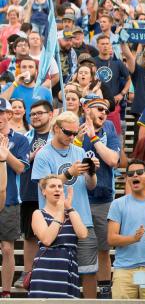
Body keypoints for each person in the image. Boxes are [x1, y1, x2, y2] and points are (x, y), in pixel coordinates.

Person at [31, 111, 99, 299]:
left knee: (89, 271)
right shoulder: (43, 154)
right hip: (54, 219)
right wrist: (70, 172)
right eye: (68, 132)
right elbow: (44, 184)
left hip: (82, 218)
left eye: (75, 133)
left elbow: (91, 186)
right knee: (57, 270)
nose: (72, 137)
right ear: (55, 129)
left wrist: (91, 173)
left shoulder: (79, 151)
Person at [74, 95, 120, 298]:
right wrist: (79, 137)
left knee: (103, 248)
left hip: (102, 198)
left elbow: (112, 160)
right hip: (78, 199)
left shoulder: (109, 127)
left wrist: (93, 138)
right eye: (99, 109)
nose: (104, 113)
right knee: (77, 246)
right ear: (86, 110)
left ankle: (104, 290)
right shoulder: (73, 127)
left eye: (105, 110)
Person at [28, 175, 87, 298]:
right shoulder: (38, 214)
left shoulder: (71, 213)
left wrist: (69, 208)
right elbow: (47, 239)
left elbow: (82, 234)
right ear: (44, 191)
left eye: (60, 186)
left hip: (68, 269)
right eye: (52, 186)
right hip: (46, 269)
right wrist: (60, 211)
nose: (57, 189)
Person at [16, 100, 52, 290]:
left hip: (53, 194)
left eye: (40, 113)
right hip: (29, 192)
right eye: (33, 114)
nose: (36, 117)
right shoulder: (25, 137)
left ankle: (47, 271)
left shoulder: (57, 135)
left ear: (51, 115)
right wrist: (30, 157)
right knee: (30, 237)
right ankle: (28, 273)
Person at [107, 159, 145, 299]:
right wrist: (132, 239)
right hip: (124, 270)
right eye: (130, 173)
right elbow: (111, 238)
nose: (135, 175)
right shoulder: (118, 204)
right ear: (127, 178)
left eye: (139, 172)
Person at [0, 98, 29, 299]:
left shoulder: (20, 139)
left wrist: (4, 154)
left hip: (10, 200)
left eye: (2, 113)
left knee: (8, 248)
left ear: (9, 115)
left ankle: (7, 291)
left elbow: (20, 168)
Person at [0, 56, 53, 120]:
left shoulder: (45, 91)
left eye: (30, 67)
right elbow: (1, 103)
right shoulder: (11, 86)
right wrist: (15, 84)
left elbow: (50, 116)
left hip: (37, 128)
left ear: (36, 71)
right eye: (24, 67)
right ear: (19, 70)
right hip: (14, 128)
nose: (27, 70)